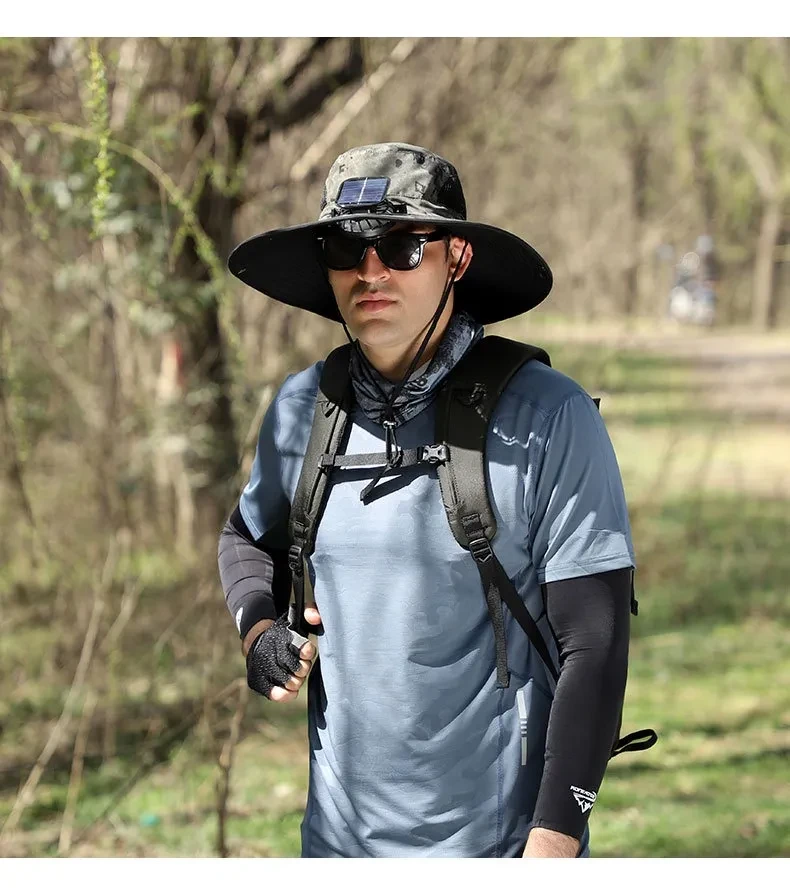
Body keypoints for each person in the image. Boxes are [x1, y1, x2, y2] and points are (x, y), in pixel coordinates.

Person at [218, 142, 638, 858]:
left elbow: (594, 645)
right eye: (347, 249)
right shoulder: (300, 412)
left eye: (402, 246)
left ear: (457, 259)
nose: (371, 271)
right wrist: (259, 630)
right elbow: (246, 539)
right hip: (336, 848)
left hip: (503, 850)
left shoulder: (551, 417)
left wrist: (556, 839)